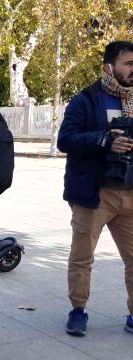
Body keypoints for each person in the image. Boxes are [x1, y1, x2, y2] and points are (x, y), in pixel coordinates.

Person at [57, 40, 133, 337]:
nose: (132, 70)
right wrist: (103, 139)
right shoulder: (86, 100)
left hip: (130, 192)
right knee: (82, 257)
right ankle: (78, 310)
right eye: (128, 64)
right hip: (95, 194)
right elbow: (66, 139)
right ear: (109, 67)